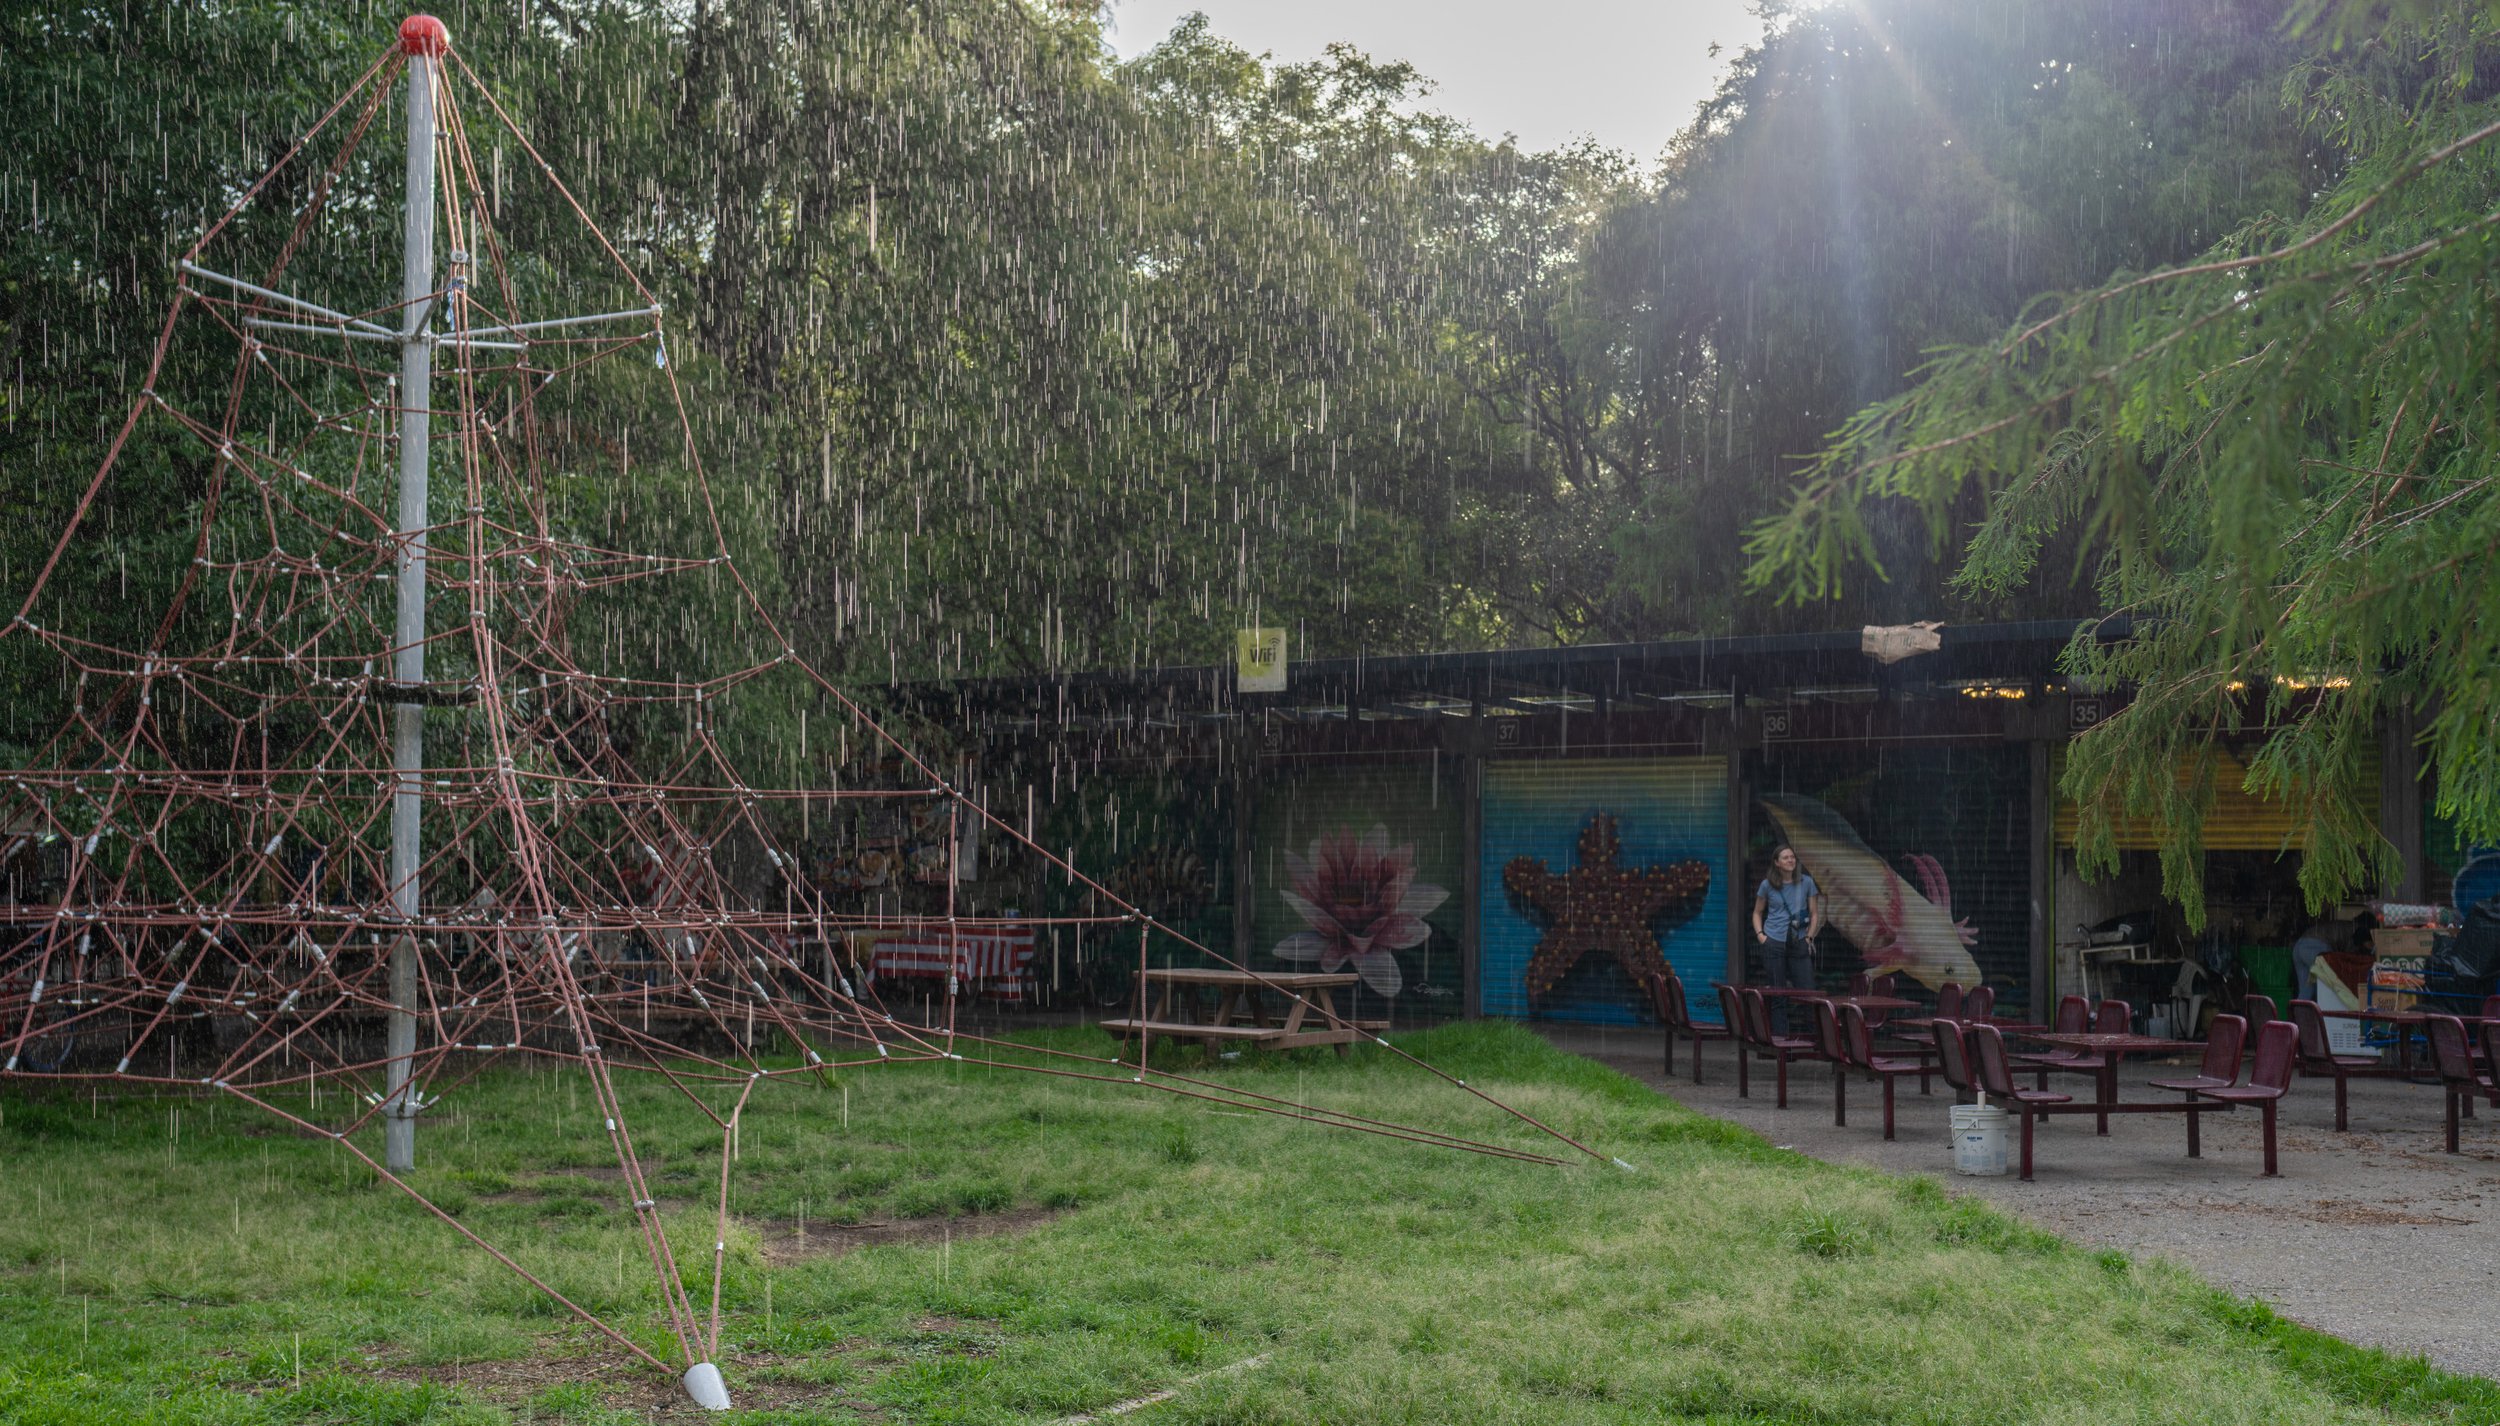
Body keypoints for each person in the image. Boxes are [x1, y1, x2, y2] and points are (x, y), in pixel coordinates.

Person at [1751, 845, 1822, 1033]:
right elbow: (1757, 912)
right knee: (1778, 995)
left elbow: (1815, 914)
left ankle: (1815, 1042)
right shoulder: (1767, 884)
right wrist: (1761, 936)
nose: (1790, 860)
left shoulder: (1806, 882)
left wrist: (1809, 937)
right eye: (1785, 857)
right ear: (1776, 863)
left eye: (1792, 857)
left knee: (1808, 993)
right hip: (1773, 941)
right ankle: (1780, 1041)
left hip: (1799, 941)